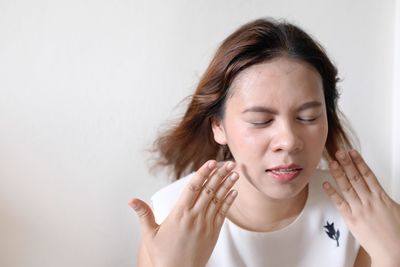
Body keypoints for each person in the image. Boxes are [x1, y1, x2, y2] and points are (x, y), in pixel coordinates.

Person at [129, 18, 400, 267]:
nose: (289, 141)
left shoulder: (361, 214)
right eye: (260, 120)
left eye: (308, 117)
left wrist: (392, 256)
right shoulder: (172, 219)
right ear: (218, 126)